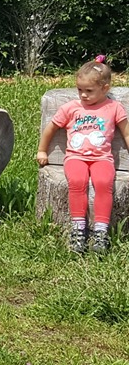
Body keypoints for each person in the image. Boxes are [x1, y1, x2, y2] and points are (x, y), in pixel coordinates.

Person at [37, 56, 129, 254]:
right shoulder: (72, 108)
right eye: (80, 90)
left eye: (89, 91)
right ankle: (79, 230)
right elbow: (51, 128)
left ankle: (101, 232)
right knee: (77, 181)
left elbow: (126, 132)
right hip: (75, 157)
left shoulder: (113, 108)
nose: (83, 95)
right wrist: (42, 150)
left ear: (105, 88)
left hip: (102, 158)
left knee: (104, 183)